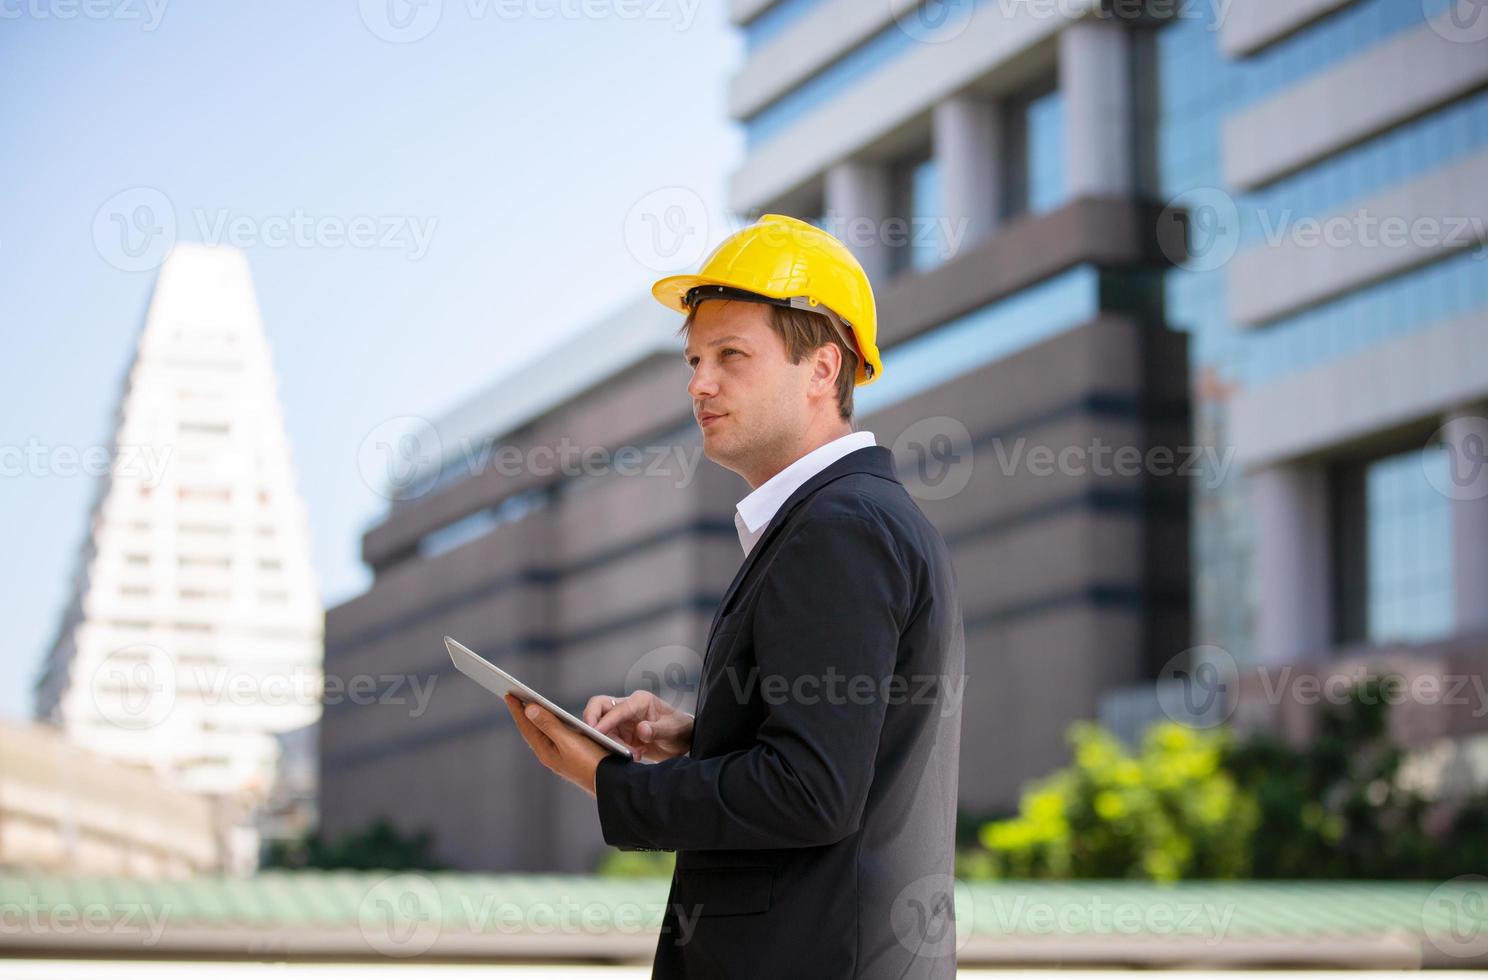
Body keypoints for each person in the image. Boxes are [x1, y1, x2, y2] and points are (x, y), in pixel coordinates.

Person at [503, 213, 966, 978]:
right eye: (693, 359)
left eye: (730, 356)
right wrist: (705, 734)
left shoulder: (838, 527)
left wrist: (606, 779)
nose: (699, 384)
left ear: (823, 369)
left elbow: (811, 792)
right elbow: (839, 750)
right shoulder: (852, 517)